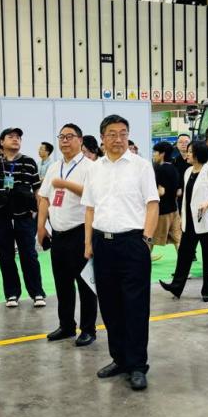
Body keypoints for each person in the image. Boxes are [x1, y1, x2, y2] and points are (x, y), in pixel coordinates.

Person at [83, 114, 160, 392]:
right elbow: (90, 208)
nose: (118, 139)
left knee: (135, 307)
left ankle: (137, 365)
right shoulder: (94, 169)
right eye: (112, 134)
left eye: (123, 133)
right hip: (102, 244)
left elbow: (152, 204)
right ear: (102, 138)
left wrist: (146, 239)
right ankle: (119, 359)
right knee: (110, 305)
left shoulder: (141, 166)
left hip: (132, 243)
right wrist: (88, 243)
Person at [38, 123, 97, 346]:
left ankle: (88, 329)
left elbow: (92, 196)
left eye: (69, 136)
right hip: (58, 234)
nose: (64, 141)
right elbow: (44, 197)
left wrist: (65, 184)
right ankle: (66, 325)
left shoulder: (90, 167)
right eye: (61, 137)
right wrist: (41, 227)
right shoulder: (54, 167)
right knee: (62, 283)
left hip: (81, 232)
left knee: (85, 284)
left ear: (80, 140)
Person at [0, 127, 45, 308]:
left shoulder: (29, 162)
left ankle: (37, 292)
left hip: (25, 216)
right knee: (5, 256)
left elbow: (37, 190)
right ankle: (12, 294)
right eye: (11, 137)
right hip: (1, 216)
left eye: (18, 137)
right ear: (1, 142)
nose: (15, 139)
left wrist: (38, 214)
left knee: (29, 255)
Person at [159, 141, 208, 300]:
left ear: (198, 155)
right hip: (190, 223)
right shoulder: (188, 171)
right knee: (184, 255)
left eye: (190, 152)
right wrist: (182, 218)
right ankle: (176, 287)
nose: (187, 154)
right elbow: (186, 199)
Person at [151, 141, 182, 262]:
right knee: (177, 239)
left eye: (155, 152)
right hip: (174, 209)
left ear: (162, 154)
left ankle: (142, 262)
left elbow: (161, 191)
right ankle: (184, 266)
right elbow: (179, 192)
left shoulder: (161, 169)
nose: (154, 155)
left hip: (162, 211)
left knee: (149, 237)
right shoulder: (174, 168)